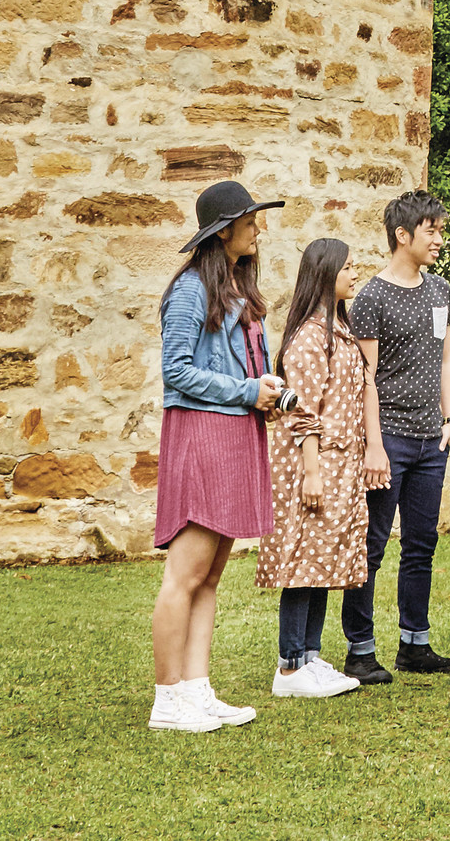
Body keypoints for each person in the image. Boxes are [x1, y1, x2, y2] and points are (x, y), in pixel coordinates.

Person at [149, 179, 288, 733]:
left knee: (209, 579)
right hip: (202, 438)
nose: (258, 228)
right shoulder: (188, 291)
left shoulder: (235, 289)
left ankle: (197, 689)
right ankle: (167, 700)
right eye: (250, 220)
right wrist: (245, 392)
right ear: (224, 229)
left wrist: (264, 391)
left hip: (234, 436)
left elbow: (237, 368)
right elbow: (175, 371)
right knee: (183, 577)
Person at [338, 190, 450, 682]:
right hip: (387, 438)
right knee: (372, 546)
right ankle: (361, 650)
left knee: (422, 544)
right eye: (431, 230)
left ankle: (415, 645)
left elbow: (447, 360)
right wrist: (373, 445)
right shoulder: (371, 297)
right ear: (403, 235)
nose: (440, 238)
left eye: (440, 229)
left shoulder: (441, 290)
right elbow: (365, 377)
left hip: (430, 440)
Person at [256, 236, 387, 699]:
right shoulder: (310, 338)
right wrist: (312, 471)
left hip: (341, 465)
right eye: (348, 266)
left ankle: (310, 657)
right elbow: (302, 411)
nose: (355, 272)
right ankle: (290, 666)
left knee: (323, 561)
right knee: (302, 561)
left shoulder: (340, 331)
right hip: (315, 464)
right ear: (324, 273)